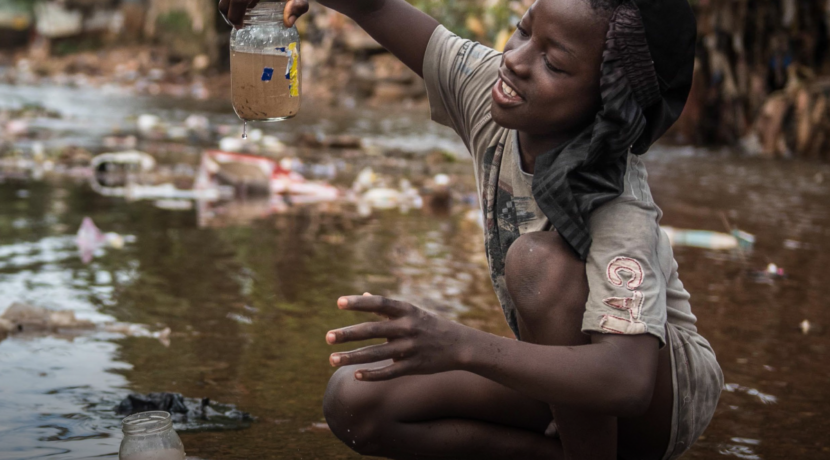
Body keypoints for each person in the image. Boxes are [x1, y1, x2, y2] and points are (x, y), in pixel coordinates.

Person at [220, 0, 724, 458]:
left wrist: (459, 345)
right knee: (357, 398)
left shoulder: (617, 199)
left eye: (554, 64)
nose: (517, 60)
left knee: (538, 263)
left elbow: (628, 380)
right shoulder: (492, 92)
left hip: (660, 396)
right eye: (525, 30)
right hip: (569, 375)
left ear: (606, 105)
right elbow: (374, 8)